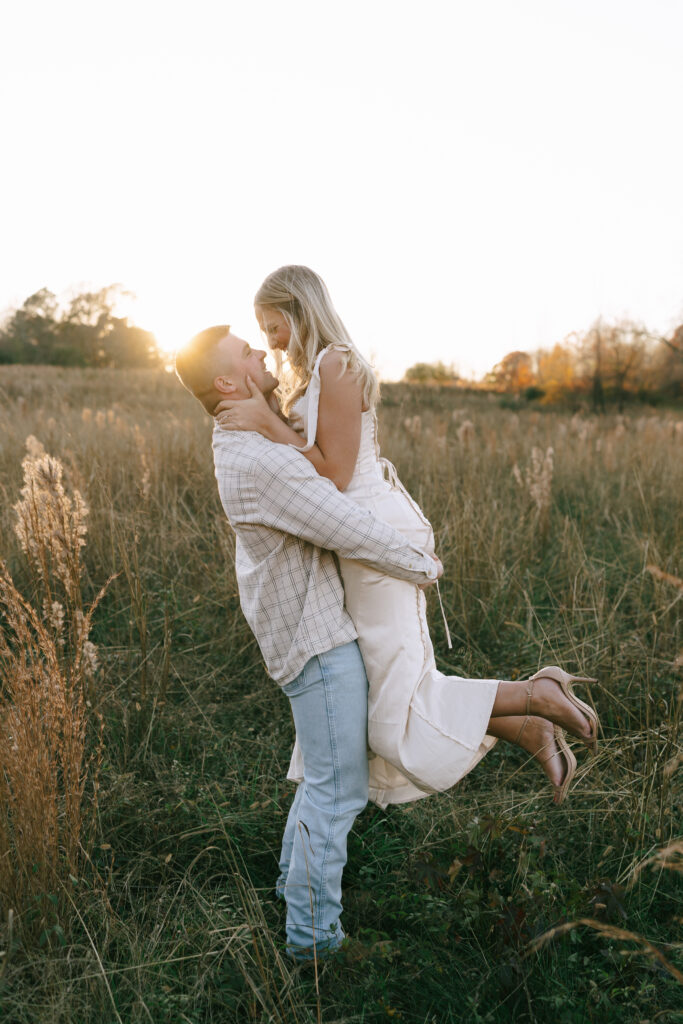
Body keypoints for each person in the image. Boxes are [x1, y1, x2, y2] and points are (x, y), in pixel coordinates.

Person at [176, 323, 599, 962]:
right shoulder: (254, 456)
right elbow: (342, 522)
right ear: (226, 382)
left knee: (334, 768)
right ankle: (314, 945)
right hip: (315, 641)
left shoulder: (245, 438)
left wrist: (270, 419)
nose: (261, 353)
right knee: (335, 788)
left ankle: (297, 901)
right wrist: (419, 563)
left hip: (314, 633)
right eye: (246, 351)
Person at [214, 266, 600, 810]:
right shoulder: (311, 373)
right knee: (383, 701)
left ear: (299, 309)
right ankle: (526, 727)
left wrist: (265, 423)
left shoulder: (337, 363)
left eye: (272, 325)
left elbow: (335, 473)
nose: (269, 340)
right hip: (351, 539)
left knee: (397, 706)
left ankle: (538, 696)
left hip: (374, 532)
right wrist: (267, 415)